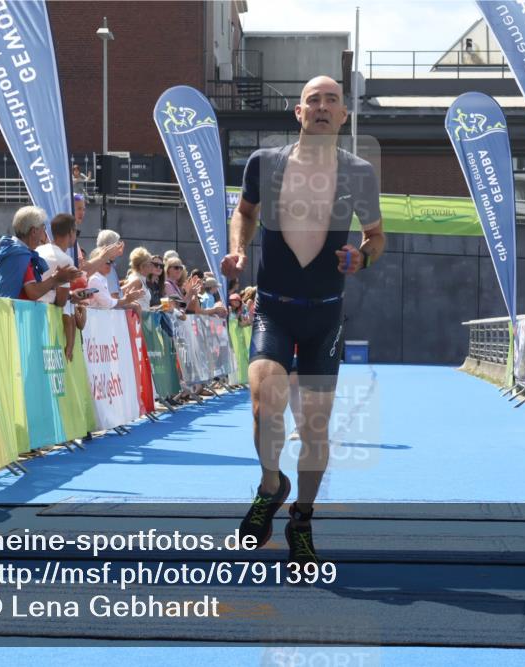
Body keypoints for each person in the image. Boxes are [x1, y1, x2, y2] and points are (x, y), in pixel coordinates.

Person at [221, 75, 385, 564]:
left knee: (314, 429)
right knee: (262, 404)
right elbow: (243, 212)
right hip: (273, 308)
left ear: (342, 117)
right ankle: (271, 484)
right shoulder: (265, 163)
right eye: (312, 100)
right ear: (298, 113)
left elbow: (376, 237)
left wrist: (362, 258)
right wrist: (237, 250)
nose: (321, 107)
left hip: (325, 317)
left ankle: (301, 518)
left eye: (331, 101)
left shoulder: (358, 174)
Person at [0, 206, 79, 300]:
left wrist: (61, 286)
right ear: (34, 231)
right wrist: (55, 278)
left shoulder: (12, 250)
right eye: (43, 228)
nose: (44, 233)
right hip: (13, 313)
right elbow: (33, 292)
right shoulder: (21, 256)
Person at [37, 213, 88, 360]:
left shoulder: (39, 250)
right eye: (76, 232)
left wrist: (70, 294)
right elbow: (61, 301)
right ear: (71, 232)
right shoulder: (65, 259)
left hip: (31, 310)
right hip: (46, 319)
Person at [86, 246, 145, 312]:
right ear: (97, 261)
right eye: (107, 261)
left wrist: (128, 300)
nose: (110, 264)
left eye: (112, 262)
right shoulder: (95, 279)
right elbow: (107, 304)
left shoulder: (101, 279)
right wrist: (126, 300)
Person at [124, 246, 154, 313]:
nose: (152, 266)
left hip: (141, 318)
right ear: (142, 266)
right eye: (150, 263)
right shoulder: (137, 280)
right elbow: (119, 293)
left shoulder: (140, 279)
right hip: (137, 319)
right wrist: (134, 306)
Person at [97, 229, 124, 299]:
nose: (120, 247)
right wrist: (130, 302)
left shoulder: (103, 263)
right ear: (110, 246)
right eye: (118, 244)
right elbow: (114, 298)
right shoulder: (106, 266)